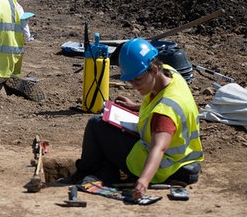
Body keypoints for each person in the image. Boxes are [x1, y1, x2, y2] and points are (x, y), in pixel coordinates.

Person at [71, 38, 204, 200]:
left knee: (96, 124)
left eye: (137, 79)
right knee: (106, 123)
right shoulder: (171, 74)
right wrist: (135, 106)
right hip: (183, 160)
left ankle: (87, 173)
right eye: (130, 80)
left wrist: (143, 181)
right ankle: (105, 171)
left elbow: (158, 148)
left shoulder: (165, 112)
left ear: (154, 70)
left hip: (164, 168)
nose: (134, 85)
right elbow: (158, 102)